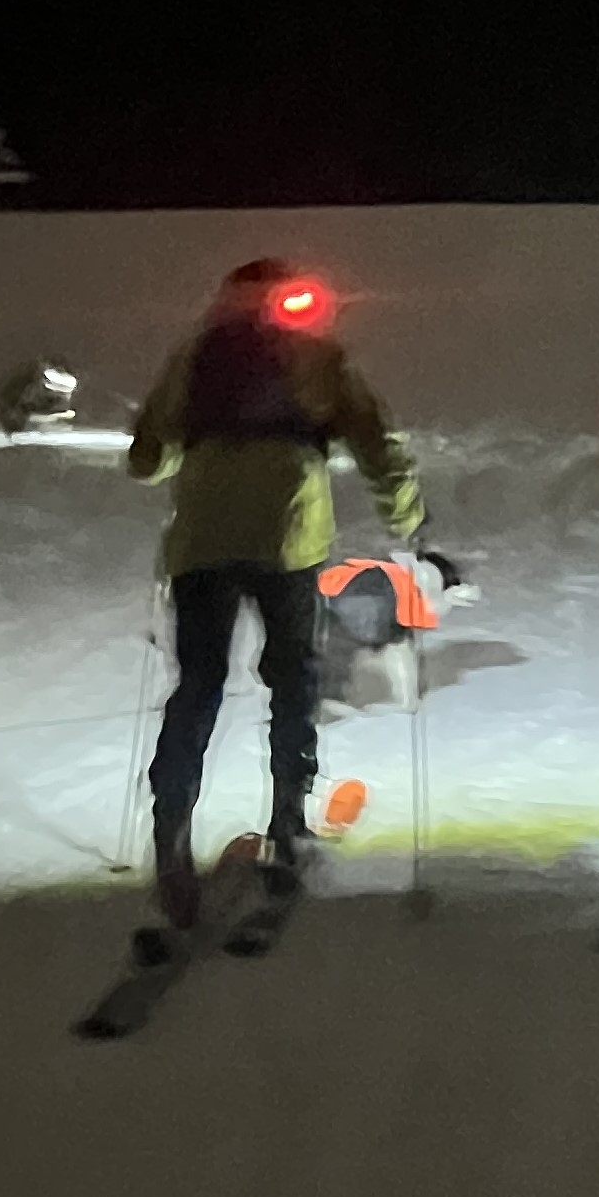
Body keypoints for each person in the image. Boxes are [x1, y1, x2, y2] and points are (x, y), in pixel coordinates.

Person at [127, 258, 441, 929]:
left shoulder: (197, 354)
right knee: (292, 679)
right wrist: (406, 517)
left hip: (201, 546)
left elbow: (146, 458)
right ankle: (287, 827)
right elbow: (375, 440)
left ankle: (170, 835)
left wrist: (201, 454)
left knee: (199, 684)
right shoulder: (318, 357)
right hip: (287, 540)